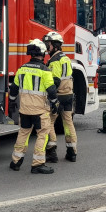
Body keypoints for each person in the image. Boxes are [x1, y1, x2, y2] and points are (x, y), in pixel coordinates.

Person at [8, 39, 58, 174]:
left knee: (23, 134)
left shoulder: (22, 68)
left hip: (24, 110)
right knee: (42, 135)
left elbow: (13, 88)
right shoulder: (45, 70)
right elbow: (51, 90)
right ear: (42, 53)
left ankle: (16, 161)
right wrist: (55, 103)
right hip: (40, 111)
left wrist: (11, 102)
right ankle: (38, 164)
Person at [43, 31, 77, 162]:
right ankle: (72, 152)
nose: (47, 47)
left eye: (48, 44)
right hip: (68, 95)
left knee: (49, 123)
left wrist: (49, 96)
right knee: (68, 123)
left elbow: (55, 81)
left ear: (55, 45)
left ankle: (51, 152)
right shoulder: (66, 58)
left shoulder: (54, 61)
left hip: (58, 96)